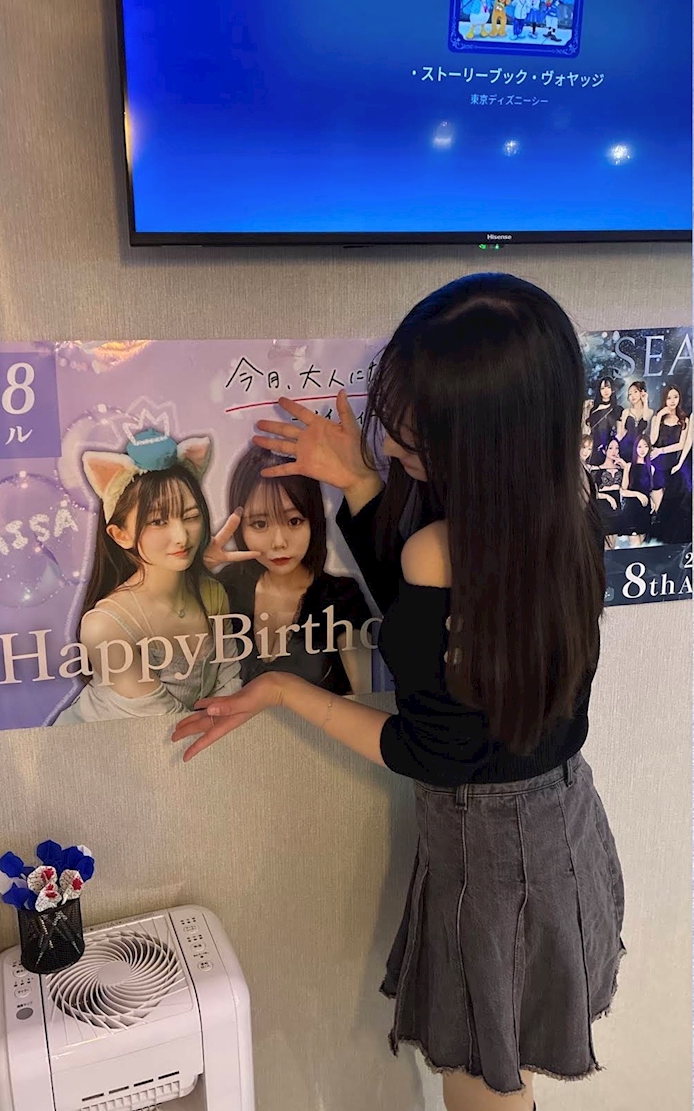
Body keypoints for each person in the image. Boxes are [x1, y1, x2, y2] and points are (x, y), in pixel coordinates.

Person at [173, 274, 623, 1111]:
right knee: (505, 1066)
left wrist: (282, 690)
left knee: (483, 1083)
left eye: (417, 429)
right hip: (561, 824)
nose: (395, 438)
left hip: (491, 853)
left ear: (481, 440)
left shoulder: (442, 551)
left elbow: (432, 741)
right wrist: (358, 482)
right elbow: (438, 638)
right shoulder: (569, 513)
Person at [53, 429, 241, 723]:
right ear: (120, 534)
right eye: (158, 521)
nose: (181, 537)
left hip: (197, 742)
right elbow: (163, 721)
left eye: (191, 516)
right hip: (101, 746)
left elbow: (229, 682)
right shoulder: (104, 625)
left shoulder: (213, 594)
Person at [210, 444, 373, 695]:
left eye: (294, 521)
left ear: (313, 520)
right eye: (260, 524)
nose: (279, 542)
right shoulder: (226, 586)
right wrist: (195, 571)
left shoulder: (341, 597)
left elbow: (365, 698)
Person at [648, 385, 689, 513]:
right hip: (656, 462)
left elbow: (681, 445)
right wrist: (660, 415)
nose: (672, 401)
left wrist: (662, 450)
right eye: (669, 398)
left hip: (671, 463)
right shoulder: (657, 418)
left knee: (670, 504)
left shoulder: (683, 420)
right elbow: (652, 440)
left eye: (675, 397)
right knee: (657, 500)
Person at [619, 435, 654, 544]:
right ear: (635, 448)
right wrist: (638, 494)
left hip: (645, 509)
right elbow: (623, 491)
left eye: (645, 446)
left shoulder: (651, 468)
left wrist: (651, 500)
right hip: (632, 509)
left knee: (642, 544)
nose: (642, 450)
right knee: (635, 545)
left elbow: (649, 489)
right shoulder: (629, 466)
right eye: (639, 446)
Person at [591, 437, 625, 549]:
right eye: (611, 448)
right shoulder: (596, 469)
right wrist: (607, 497)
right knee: (605, 544)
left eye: (617, 448)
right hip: (603, 508)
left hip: (617, 509)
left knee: (613, 544)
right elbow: (593, 492)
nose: (614, 451)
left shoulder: (622, 469)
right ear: (605, 450)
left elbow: (624, 488)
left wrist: (625, 467)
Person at [584, 376, 623, 465]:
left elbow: (620, 433)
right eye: (602, 388)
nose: (605, 391)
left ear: (613, 389)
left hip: (609, 449)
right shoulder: (592, 409)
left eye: (608, 387)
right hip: (593, 449)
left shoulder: (618, 409)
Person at [615, 381, 653, 463]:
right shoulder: (626, 411)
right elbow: (621, 432)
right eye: (630, 394)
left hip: (640, 449)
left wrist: (645, 401)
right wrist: (614, 444)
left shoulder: (649, 411)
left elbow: (645, 417)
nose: (632, 396)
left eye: (635, 391)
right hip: (625, 447)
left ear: (642, 392)